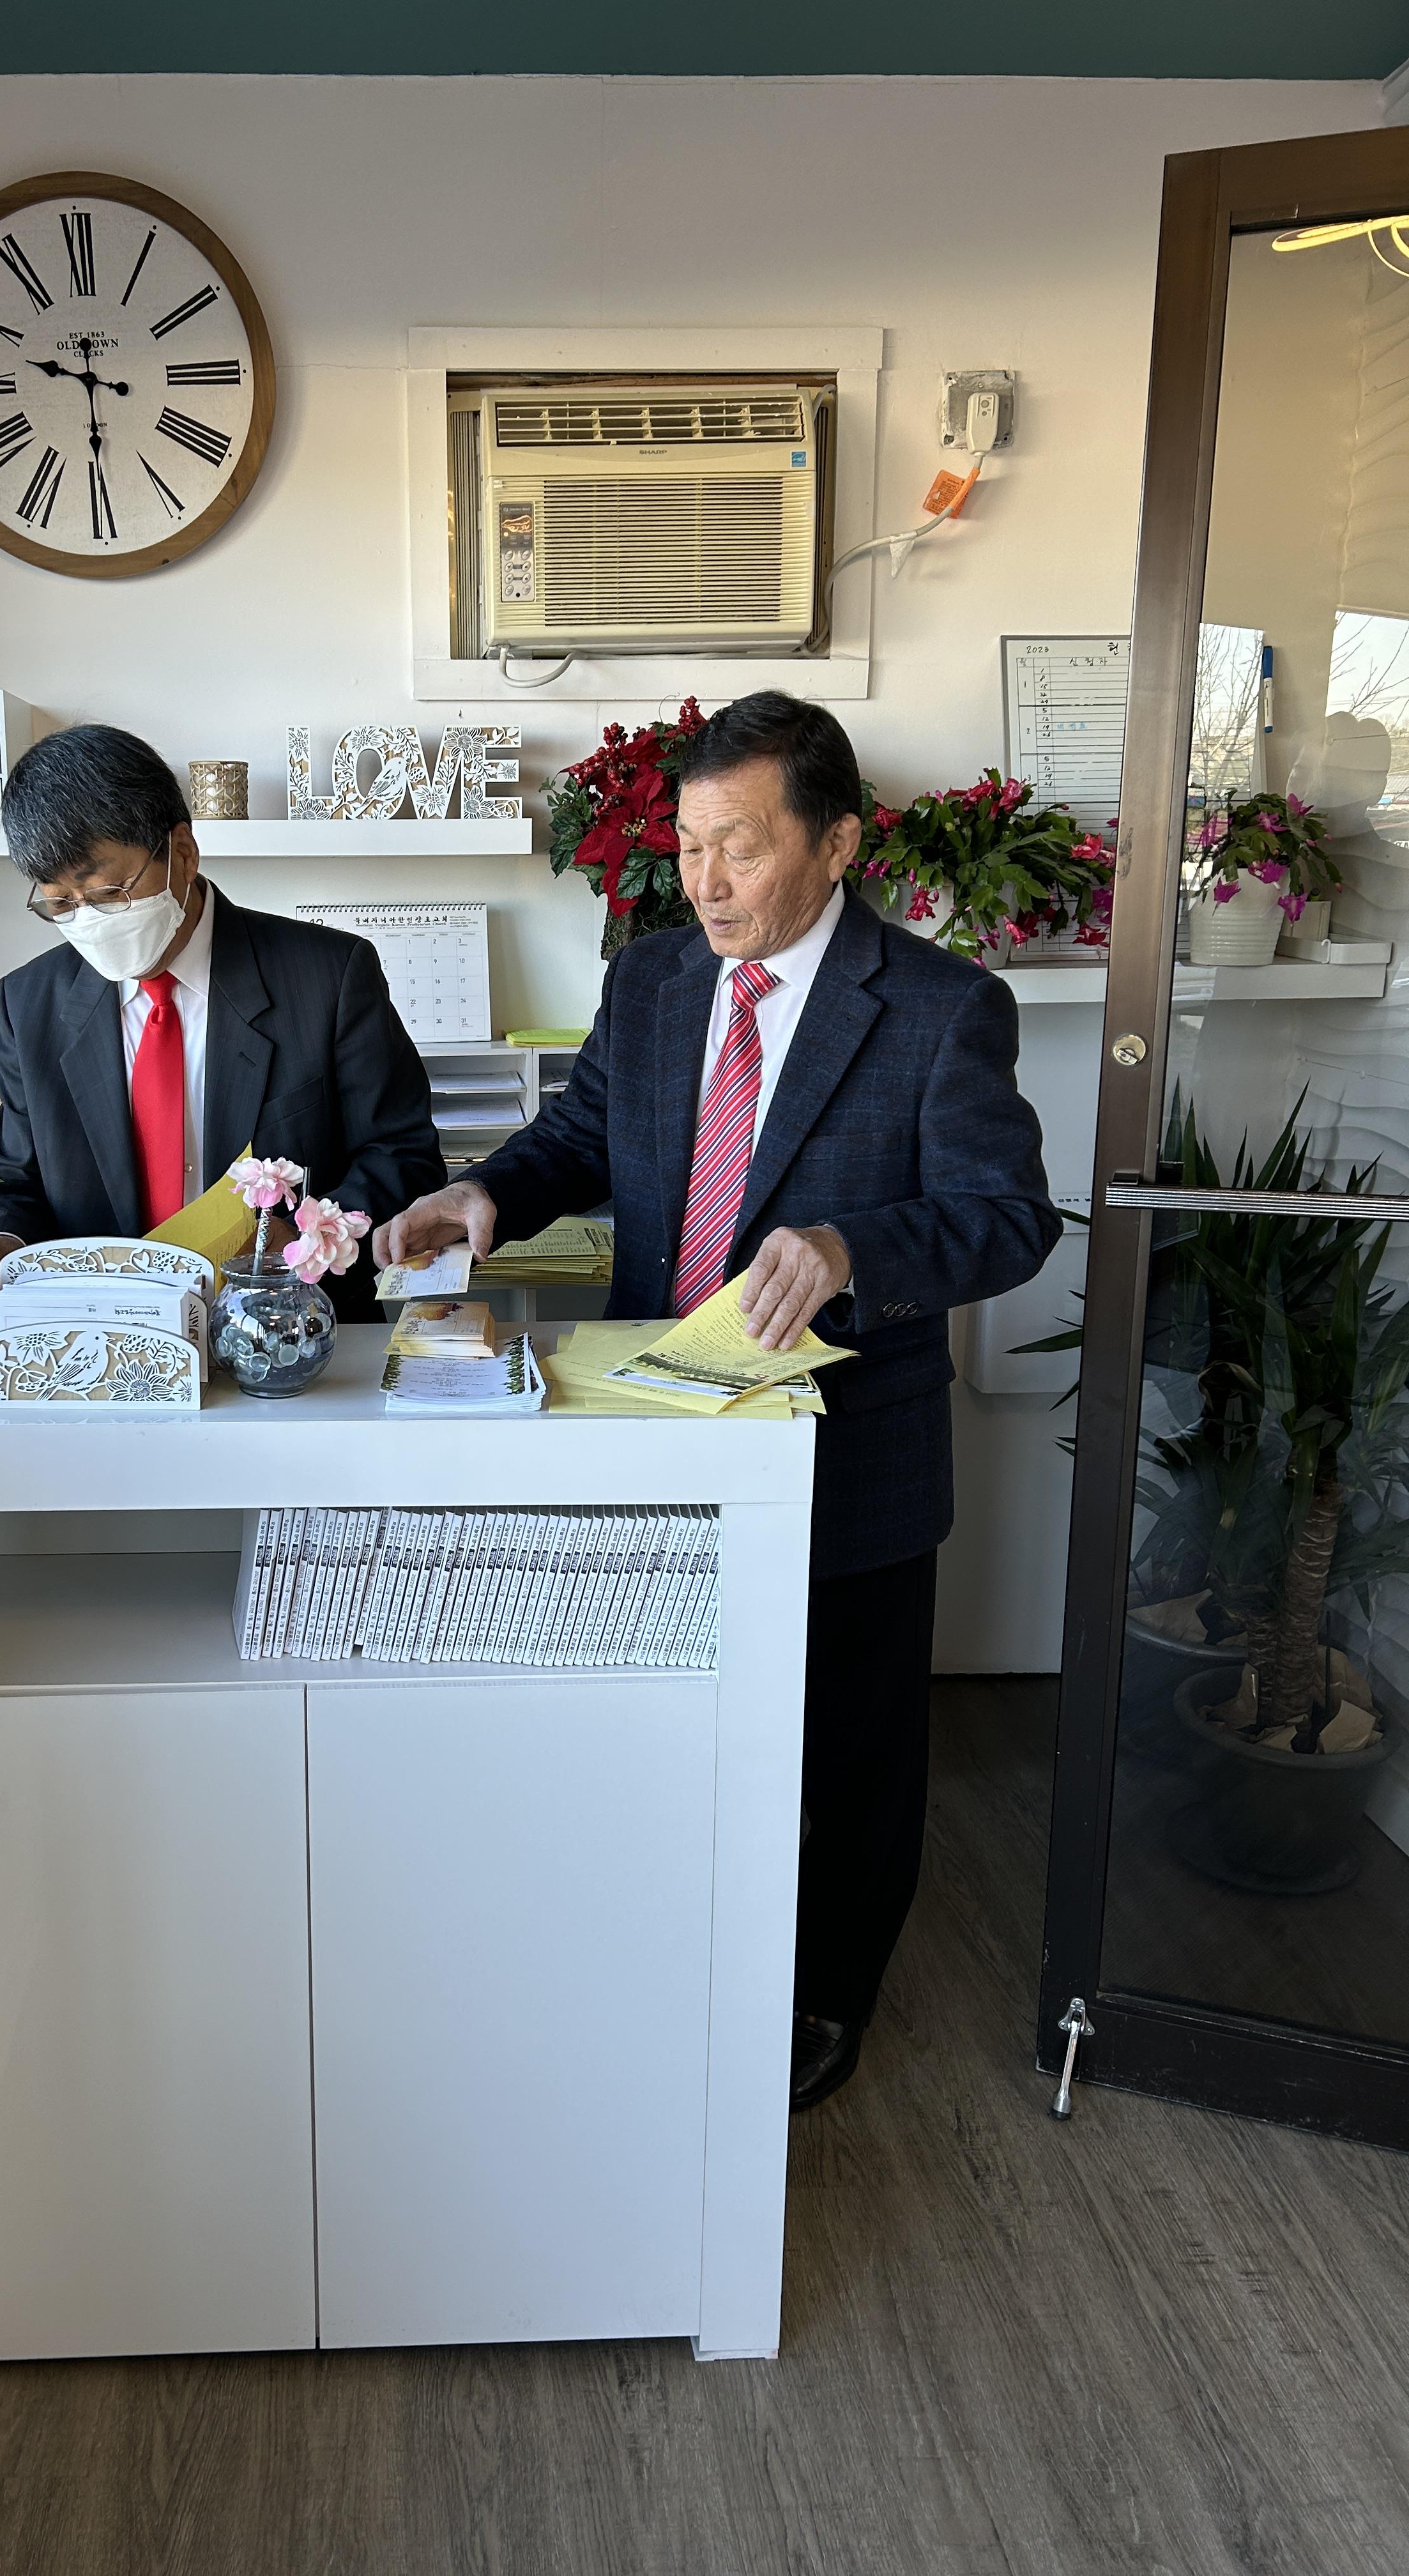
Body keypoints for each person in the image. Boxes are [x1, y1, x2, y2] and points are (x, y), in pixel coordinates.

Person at [375, 691, 1060, 2108]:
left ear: (838, 844)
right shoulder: (654, 979)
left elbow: (1007, 1220)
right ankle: (679, 1944)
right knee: (676, 1712)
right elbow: (584, 1132)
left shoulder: (941, 1008)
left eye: (739, 847)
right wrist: (485, 1192)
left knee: (845, 1748)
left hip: (848, 1455)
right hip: (656, 1415)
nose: (704, 882)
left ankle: (827, 1993)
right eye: (687, 847)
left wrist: (852, 1251)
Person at [0, 725, 445, 1316]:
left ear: (184, 854)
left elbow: (401, 1154)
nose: (88, 920)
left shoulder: (328, 977)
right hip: (100, 1334)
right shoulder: (27, 1003)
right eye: (61, 903)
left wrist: (300, 1244)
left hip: (295, 1328)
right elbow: (12, 1178)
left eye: (109, 891)